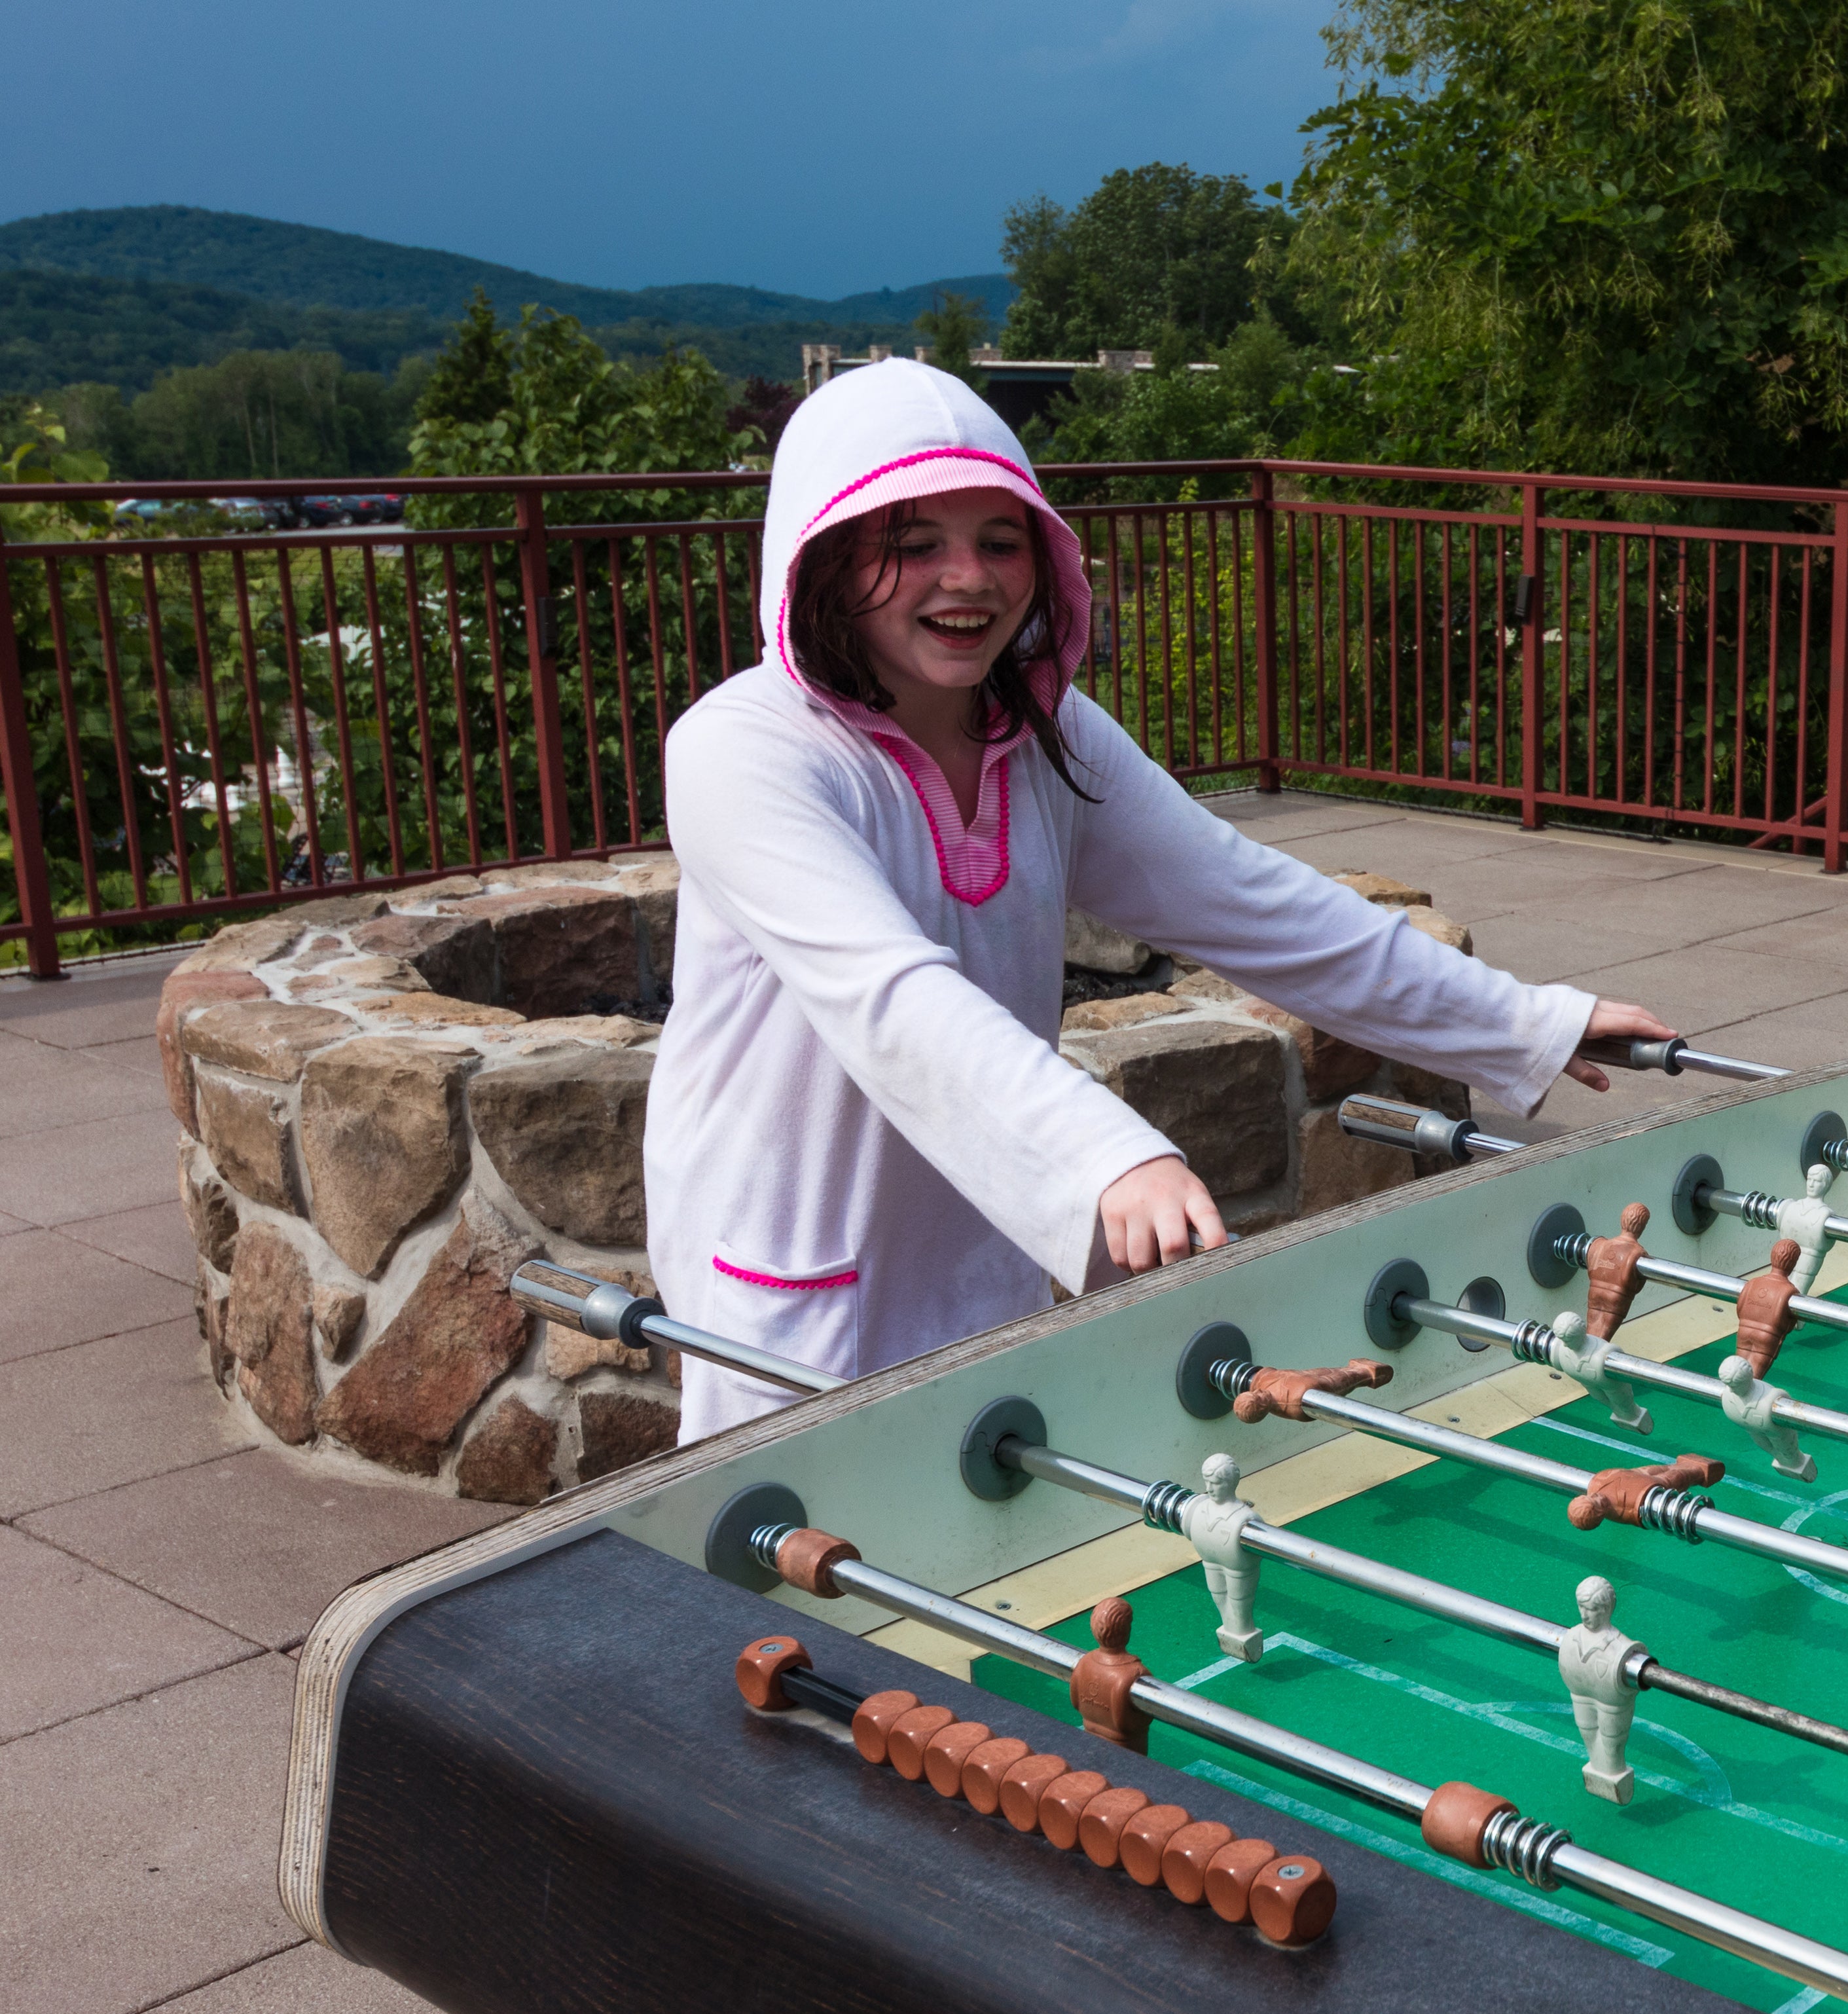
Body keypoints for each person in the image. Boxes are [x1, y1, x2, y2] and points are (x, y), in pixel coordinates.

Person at [645, 362, 1673, 1436]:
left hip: (974, 1245)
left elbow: (1252, 901)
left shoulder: (1045, 732)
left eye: (1001, 541)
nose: (969, 579)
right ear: (819, 558)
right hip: (795, 1262)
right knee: (780, 1578)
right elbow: (888, 996)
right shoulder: (743, 751)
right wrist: (1107, 1155)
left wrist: (1520, 1018)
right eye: (910, 544)